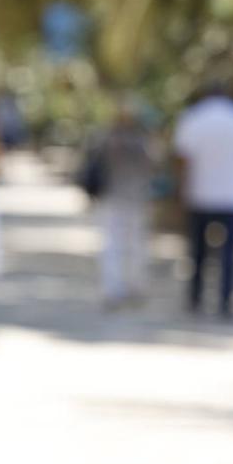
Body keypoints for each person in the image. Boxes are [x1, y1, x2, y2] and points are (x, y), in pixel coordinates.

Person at [173, 83, 233, 318]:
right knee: (230, 253)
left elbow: (184, 161)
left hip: (200, 195)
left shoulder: (193, 118)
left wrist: (181, 192)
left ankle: (195, 298)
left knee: (198, 252)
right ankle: (226, 301)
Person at [92, 97, 155, 310]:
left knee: (115, 245)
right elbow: (152, 166)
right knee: (132, 245)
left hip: (116, 197)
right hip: (132, 197)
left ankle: (115, 289)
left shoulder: (107, 139)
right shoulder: (141, 141)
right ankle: (131, 287)